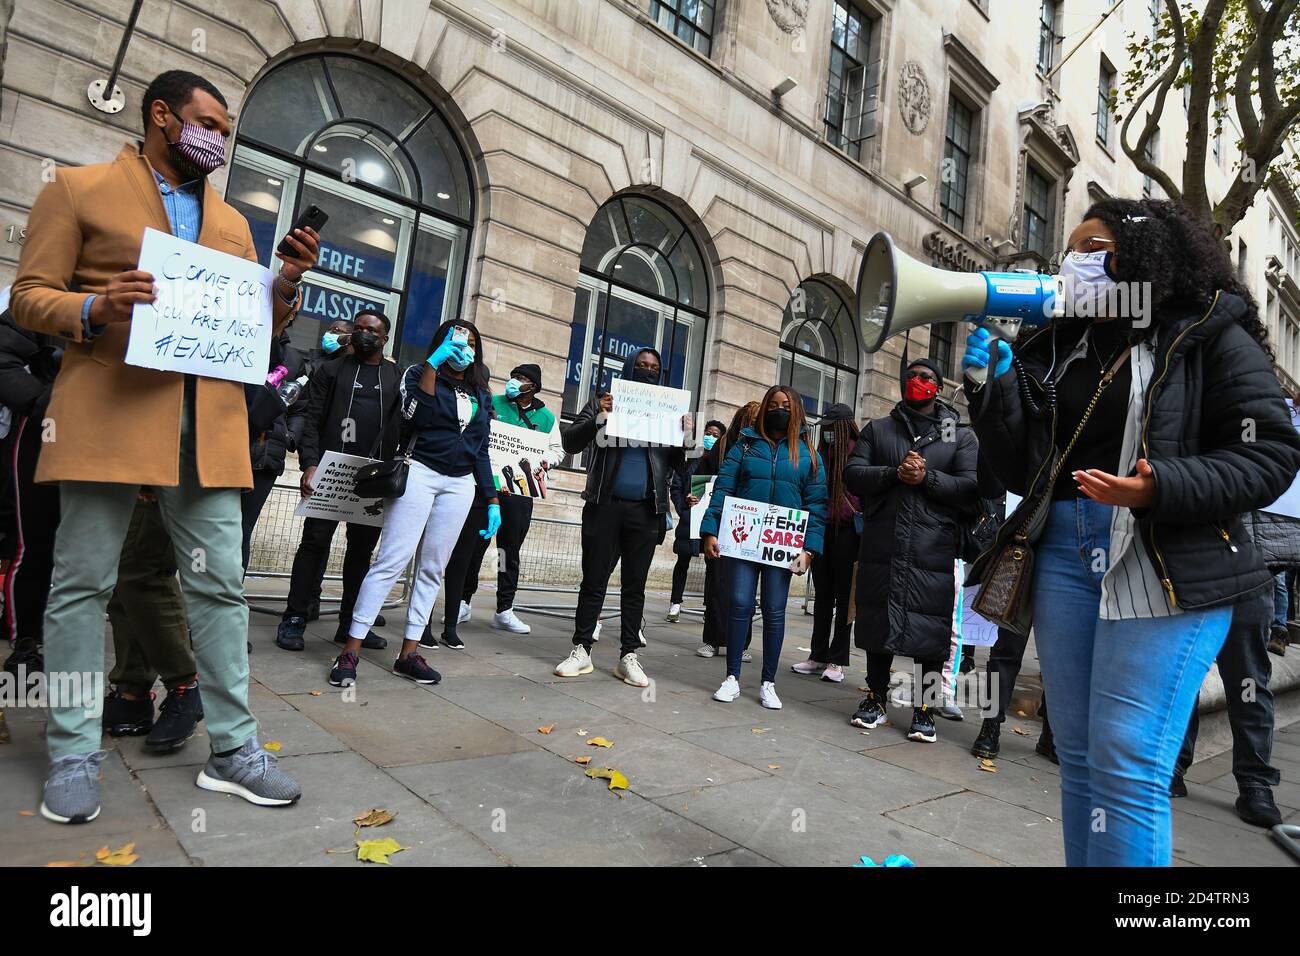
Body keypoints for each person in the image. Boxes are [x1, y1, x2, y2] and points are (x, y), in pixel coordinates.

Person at [12, 69, 316, 822]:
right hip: (110, 415)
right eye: (207, 122)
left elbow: (254, 332)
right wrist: (92, 304)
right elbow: (27, 296)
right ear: (162, 117)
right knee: (82, 584)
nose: (219, 138)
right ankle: (74, 750)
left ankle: (234, 749)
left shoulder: (233, 224)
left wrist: (283, 286)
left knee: (221, 588)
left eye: (224, 127)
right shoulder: (78, 189)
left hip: (209, 428)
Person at [964, 197, 1300, 866]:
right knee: (1082, 756)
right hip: (1062, 551)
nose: (1074, 262)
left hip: (1164, 559)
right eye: (1072, 250)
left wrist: (1160, 487)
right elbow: (1016, 470)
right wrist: (993, 389)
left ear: (1142, 258)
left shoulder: (1209, 333)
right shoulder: (1059, 343)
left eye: (1092, 249)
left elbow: (1270, 452)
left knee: (1129, 758)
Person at [328, 320, 498, 688]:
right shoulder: (417, 374)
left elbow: (482, 448)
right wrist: (434, 366)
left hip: (460, 484)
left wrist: (492, 498)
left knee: (432, 569)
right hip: (420, 472)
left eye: (470, 342)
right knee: (390, 561)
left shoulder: (481, 391)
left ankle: (409, 653)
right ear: (441, 343)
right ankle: (350, 650)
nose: (463, 347)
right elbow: (415, 416)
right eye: (456, 340)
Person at [845, 357, 979, 743]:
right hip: (883, 544)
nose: (916, 381)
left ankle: (925, 707)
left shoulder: (954, 432)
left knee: (931, 627)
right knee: (877, 621)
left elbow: (970, 486)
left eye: (925, 377)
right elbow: (853, 474)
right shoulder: (880, 428)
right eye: (911, 376)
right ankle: (875, 696)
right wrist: (893, 474)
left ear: (937, 387)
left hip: (932, 548)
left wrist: (927, 478)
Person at [553, 348, 690, 687]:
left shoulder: (667, 411)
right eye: (642, 366)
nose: (647, 371)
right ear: (629, 368)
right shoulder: (602, 400)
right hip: (604, 505)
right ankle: (581, 650)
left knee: (635, 587)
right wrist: (599, 416)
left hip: (645, 510)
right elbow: (570, 442)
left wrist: (687, 436)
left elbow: (683, 463)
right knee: (593, 581)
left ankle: (629, 655)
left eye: (654, 368)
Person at [276, 309, 400, 651]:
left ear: (384, 338)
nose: (362, 334)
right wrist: (310, 464)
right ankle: (295, 618)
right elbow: (312, 418)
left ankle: (351, 625)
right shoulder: (330, 370)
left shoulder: (394, 376)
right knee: (314, 545)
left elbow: (400, 425)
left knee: (361, 553)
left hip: (371, 477)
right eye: (358, 328)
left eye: (371, 331)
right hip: (330, 471)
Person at [701, 385, 827, 708]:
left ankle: (768, 682)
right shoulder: (743, 447)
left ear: (796, 410)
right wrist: (710, 531)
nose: (779, 409)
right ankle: (732, 677)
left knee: (774, 610)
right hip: (742, 542)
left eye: (785, 405)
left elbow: (817, 506)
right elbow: (723, 488)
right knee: (740, 602)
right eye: (773, 404)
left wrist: (809, 550)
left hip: (782, 547)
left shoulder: (808, 455)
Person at [1170, 509, 1295, 828]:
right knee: (1183, 675)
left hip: (1250, 566)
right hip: (1193, 559)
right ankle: (1173, 767)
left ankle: (1255, 782)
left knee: (1249, 682)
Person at [430, 362, 565, 647]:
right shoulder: (492, 402)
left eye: (523, 379)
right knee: (474, 545)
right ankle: (463, 600)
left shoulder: (546, 417)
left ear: (534, 387)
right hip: (484, 486)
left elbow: (557, 450)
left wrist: (546, 462)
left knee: (508, 549)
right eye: (514, 376)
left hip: (519, 490)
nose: (515, 381)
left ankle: (504, 608)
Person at [0, 289, 60, 679]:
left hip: (117, 438)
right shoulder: (50, 291)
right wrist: (45, 405)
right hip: (48, 433)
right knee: (34, 542)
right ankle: (26, 644)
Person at [790, 403, 860, 683]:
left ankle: (837, 660)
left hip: (847, 532)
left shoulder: (858, 453)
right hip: (821, 530)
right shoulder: (820, 454)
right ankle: (818, 655)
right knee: (822, 596)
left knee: (844, 599)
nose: (827, 433)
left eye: (831, 427)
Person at [696, 403, 759, 659]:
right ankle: (712, 639)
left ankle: (741, 643)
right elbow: (700, 481)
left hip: (748, 530)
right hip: (720, 528)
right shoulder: (722, 448)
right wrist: (693, 498)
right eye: (751, 419)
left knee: (743, 590)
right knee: (716, 586)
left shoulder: (762, 447)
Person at [666, 419, 726, 623]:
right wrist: (684, 506)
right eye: (708, 433)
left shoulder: (724, 462)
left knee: (713, 565)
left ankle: (710, 607)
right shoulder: (690, 458)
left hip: (712, 523)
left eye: (716, 435)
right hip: (689, 519)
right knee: (682, 561)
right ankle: (675, 603)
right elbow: (676, 487)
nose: (711, 437)